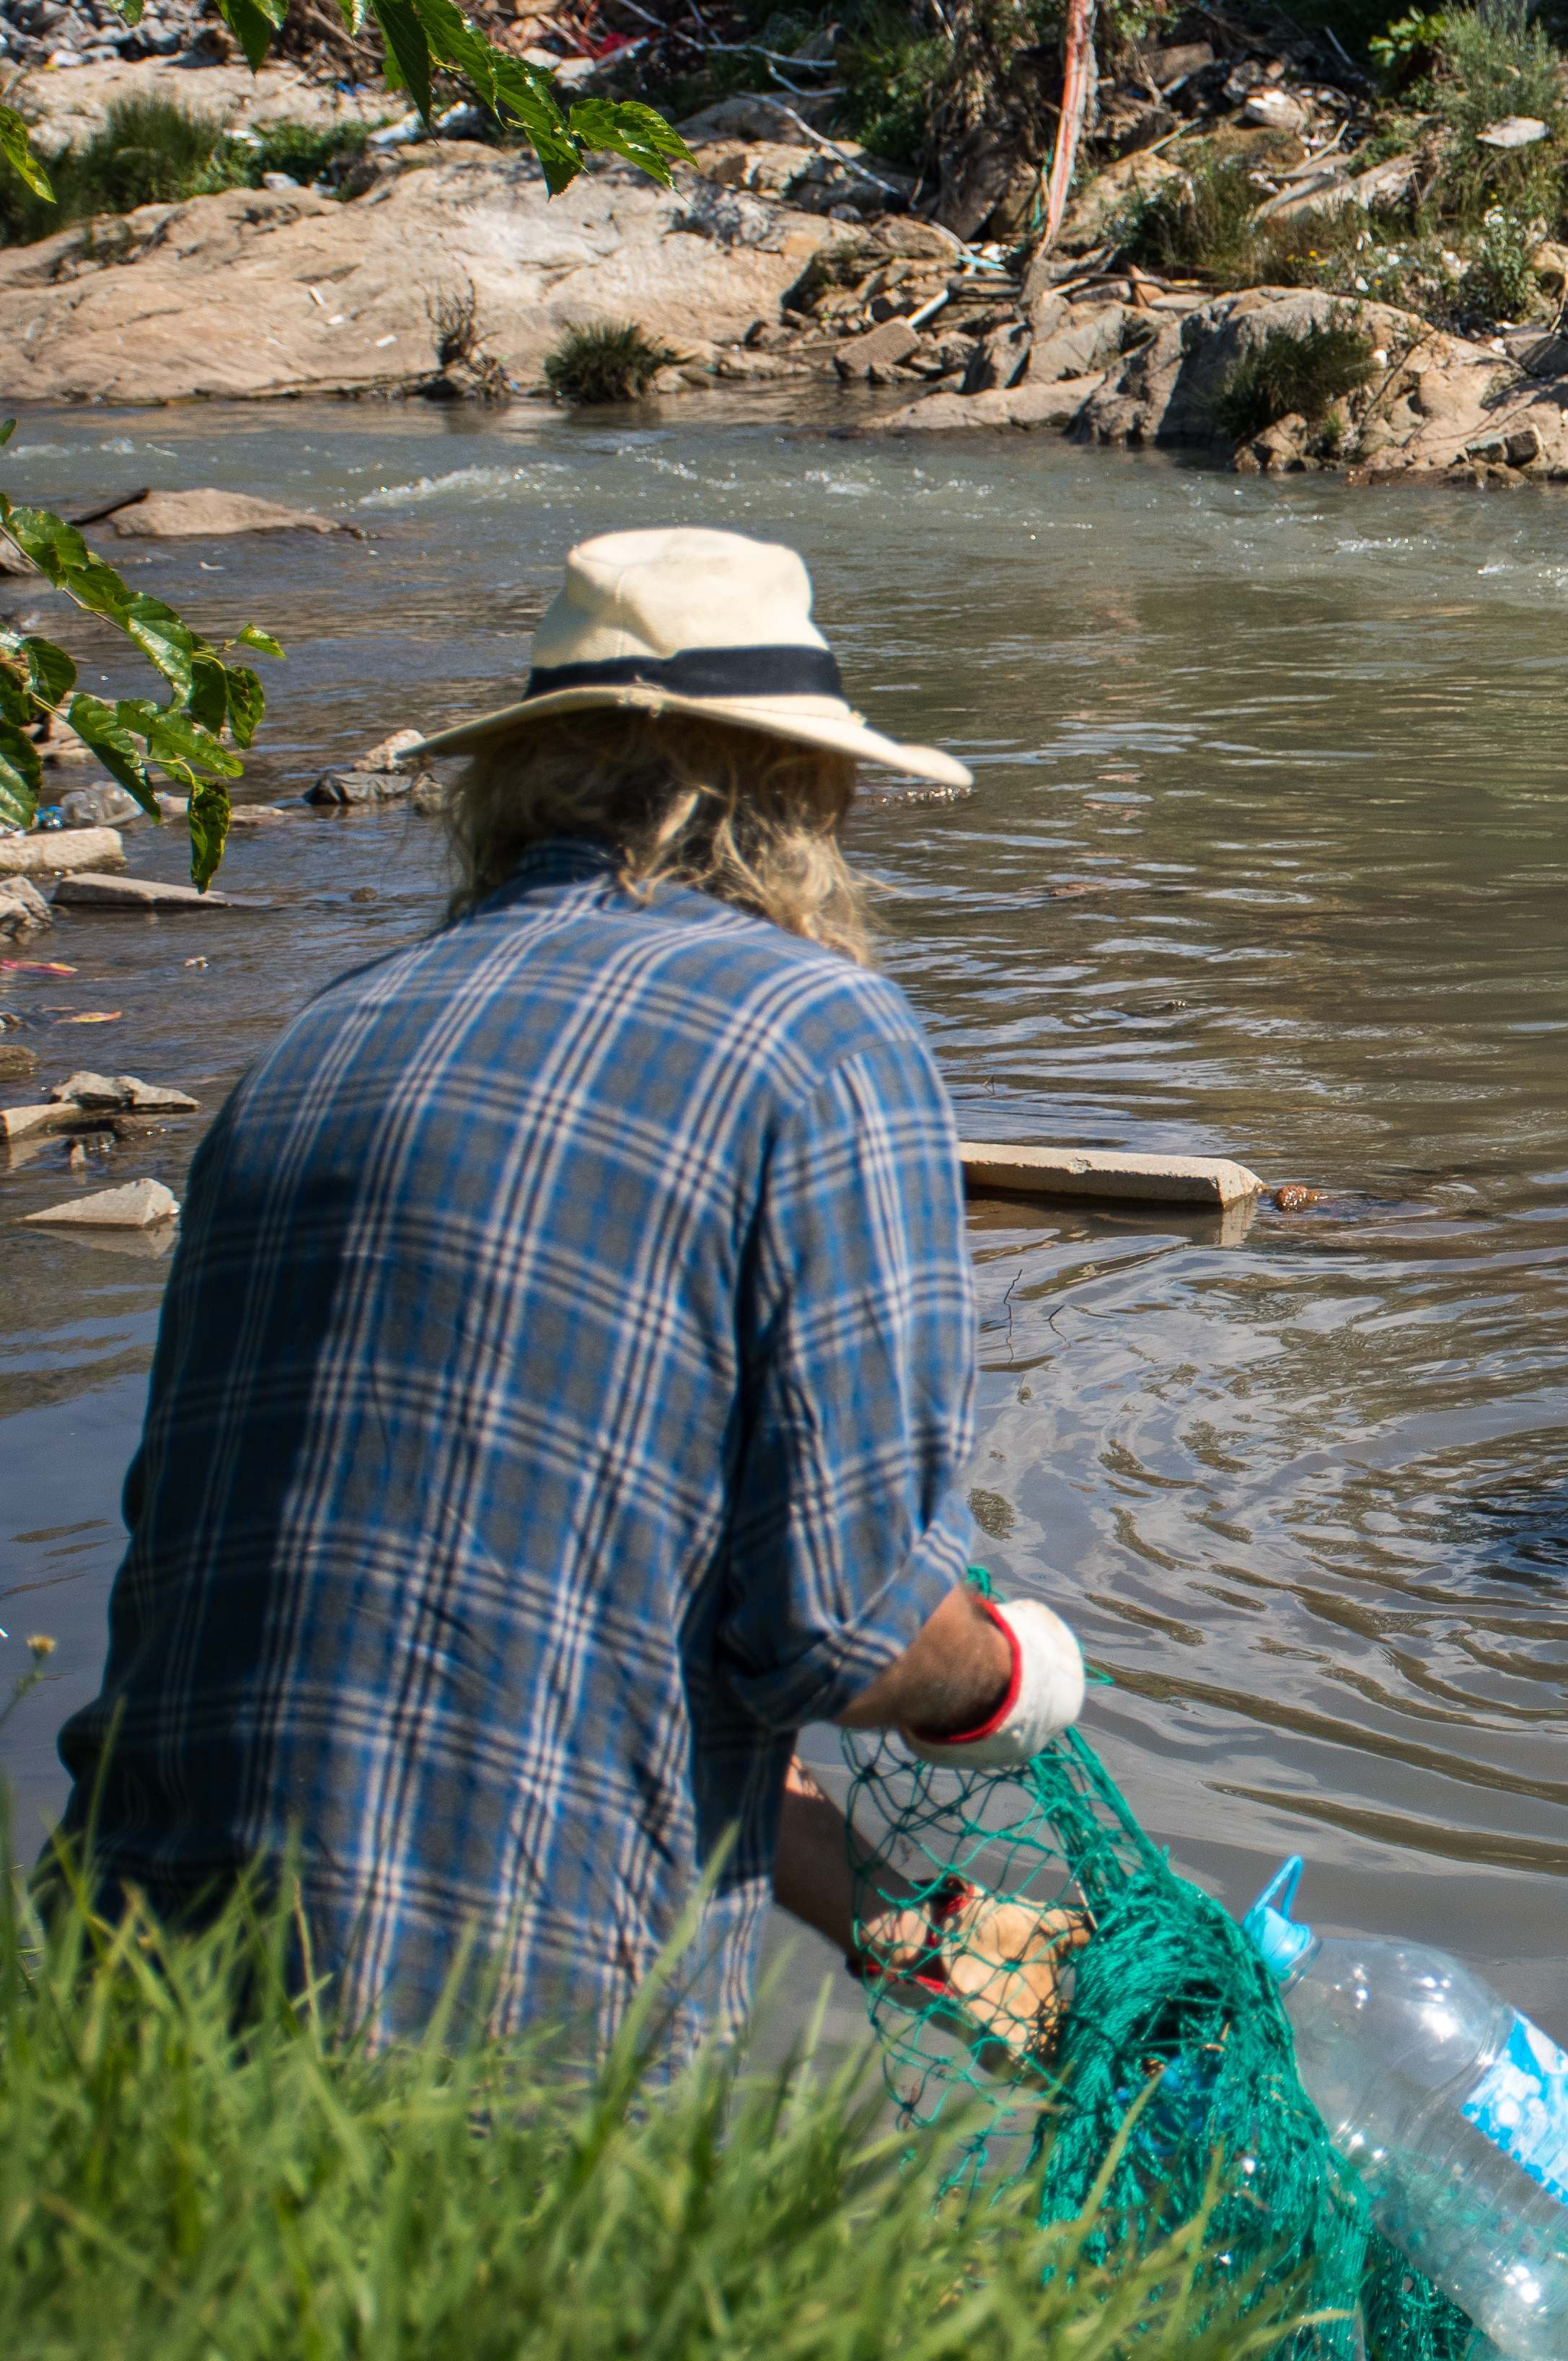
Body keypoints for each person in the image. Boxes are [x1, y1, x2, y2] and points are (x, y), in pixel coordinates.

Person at [55, 527, 1084, 2054]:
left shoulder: (313, 1047)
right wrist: (1007, 1675)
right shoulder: (822, 1036)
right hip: (496, 2050)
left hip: (114, 1995)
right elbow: (848, 1632)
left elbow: (496, 1623)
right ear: (809, 795)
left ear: (518, 778)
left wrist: (899, 1918)